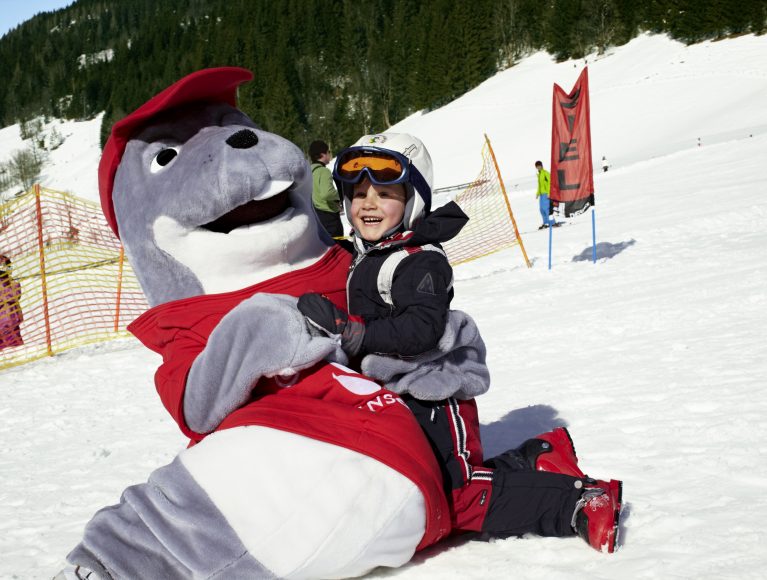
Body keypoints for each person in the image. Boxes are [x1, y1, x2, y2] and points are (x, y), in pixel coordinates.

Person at [297, 133, 623, 552]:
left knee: (458, 497)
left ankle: (580, 500)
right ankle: (536, 456)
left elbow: (423, 329)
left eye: (384, 193)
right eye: (358, 194)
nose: (368, 203)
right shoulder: (366, 253)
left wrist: (354, 331)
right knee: (424, 482)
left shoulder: (419, 261)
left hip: (432, 394)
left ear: (413, 200)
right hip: (391, 394)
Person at [309, 139, 344, 238]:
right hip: (330, 216)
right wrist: (340, 196)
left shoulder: (310, 172)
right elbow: (327, 193)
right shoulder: (323, 171)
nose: (329, 154)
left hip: (318, 215)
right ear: (322, 154)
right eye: (328, 152)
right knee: (339, 244)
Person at [0, 255, 23, 349]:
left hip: (11, 315)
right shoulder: (9, 282)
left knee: (12, 332)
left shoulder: (11, 281)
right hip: (5, 316)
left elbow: (16, 295)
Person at [535, 160, 553, 229]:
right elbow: (539, 185)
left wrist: (549, 192)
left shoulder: (545, 173)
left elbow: (549, 183)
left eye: (539, 166)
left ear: (542, 166)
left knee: (546, 209)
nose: (538, 167)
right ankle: (545, 223)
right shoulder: (539, 174)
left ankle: (551, 222)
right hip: (542, 194)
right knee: (541, 209)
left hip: (546, 193)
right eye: (537, 166)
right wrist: (537, 193)